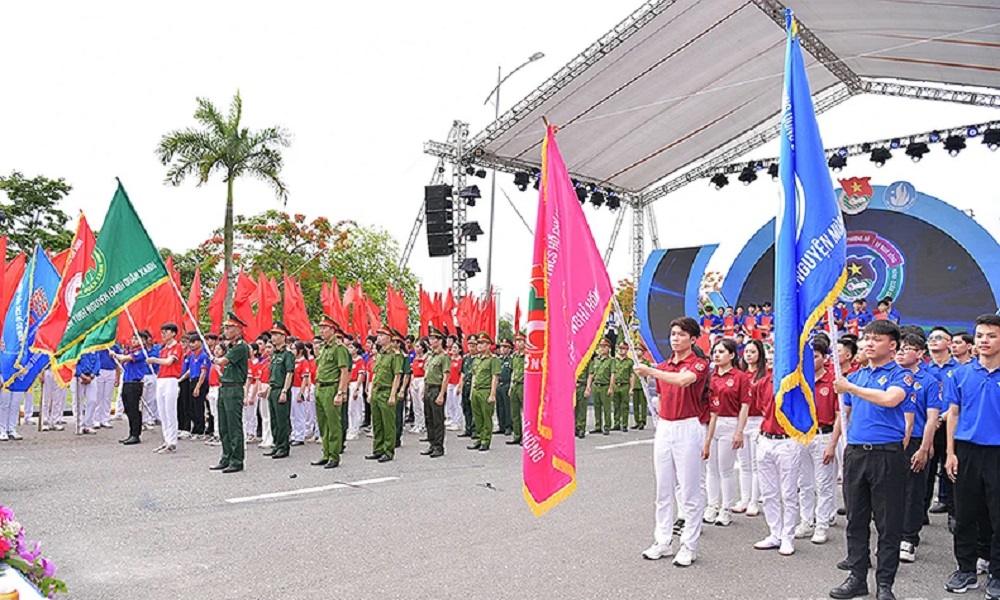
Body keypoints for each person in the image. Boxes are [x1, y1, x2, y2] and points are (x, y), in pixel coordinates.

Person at [830, 320, 912, 600]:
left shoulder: (901, 375)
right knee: (856, 519)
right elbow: (846, 414)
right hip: (856, 453)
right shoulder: (858, 375)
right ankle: (857, 577)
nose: (868, 343)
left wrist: (850, 388)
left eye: (876, 339)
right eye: (866, 338)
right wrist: (838, 444)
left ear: (892, 345)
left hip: (887, 454)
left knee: (888, 523)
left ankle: (885, 583)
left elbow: (890, 400)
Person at [635, 317, 710, 568]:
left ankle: (689, 545)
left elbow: (682, 380)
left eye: (681, 334)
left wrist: (651, 371)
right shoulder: (665, 364)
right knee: (663, 490)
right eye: (673, 334)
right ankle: (663, 541)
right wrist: (649, 373)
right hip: (665, 427)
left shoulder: (698, 364)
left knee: (689, 491)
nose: (675, 338)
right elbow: (662, 385)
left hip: (688, 427)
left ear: (692, 338)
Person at [944, 314, 1000, 597]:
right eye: (980, 336)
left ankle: (997, 574)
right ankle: (965, 569)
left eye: (991, 335)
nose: (984, 341)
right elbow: (953, 414)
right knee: (964, 514)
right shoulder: (962, 373)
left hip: (997, 453)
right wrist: (950, 452)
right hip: (966, 451)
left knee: (997, 515)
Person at [894, 332, 942, 564]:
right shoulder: (892, 376)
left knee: (914, 492)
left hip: (916, 440)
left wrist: (924, 447)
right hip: (891, 440)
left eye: (908, 348)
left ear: (921, 353)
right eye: (900, 348)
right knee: (891, 492)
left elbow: (932, 418)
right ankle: (891, 536)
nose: (902, 352)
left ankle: (908, 539)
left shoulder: (929, 380)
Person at [751, 338, 801, 557]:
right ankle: (775, 533)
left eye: (776, 357)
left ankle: (788, 536)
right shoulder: (764, 382)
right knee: (769, 492)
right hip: (765, 439)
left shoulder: (796, 381)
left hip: (788, 441)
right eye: (770, 356)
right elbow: (760, 407)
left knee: (788, 493)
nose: (772, 360)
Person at [796, 337, 841, 545]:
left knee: (823, 483)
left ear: (824, 357)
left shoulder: (833, 381)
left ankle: (822, 524)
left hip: (824, 435)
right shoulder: (799, 380)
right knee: (804, 483)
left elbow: (840, 415)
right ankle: (806, 521)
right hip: (803, 436)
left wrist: (832, 444)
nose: (811, 360)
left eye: (815, 356)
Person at [703, 338, 750, 527]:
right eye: (715, 351)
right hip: (710, 423)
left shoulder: (740, 377)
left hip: (729, 423)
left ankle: (726, 508)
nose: (717, 355)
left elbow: (745, 405)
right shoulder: (710, 376)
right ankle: (712, 505)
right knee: (711, 468)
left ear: (731, 355)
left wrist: (739, 431)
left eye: (722, 352)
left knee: (726, 469)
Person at [925, 326, 959, 520]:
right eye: (931, 338)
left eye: (939, 337)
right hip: (929, 426)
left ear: (949, 343)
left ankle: (953, 514)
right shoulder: (923, 370)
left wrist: (943, 416)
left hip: (949, 424)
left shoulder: (959, 370)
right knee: (925, 471)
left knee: (950, 470)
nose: (933, 341)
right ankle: (920, 514)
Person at [210, 314, 250, 473]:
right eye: (225, 327)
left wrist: (215, 359)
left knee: (234, 426)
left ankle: (237, 460)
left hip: (234, 388)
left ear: (238, 329)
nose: (226, 330)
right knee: (223, 425)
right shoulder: (232, 346)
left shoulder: (241, 346)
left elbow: (222, 361)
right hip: (224, 387)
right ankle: (226, 456)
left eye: (229, 327)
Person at [311, 317, 350, 468]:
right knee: (323, 423)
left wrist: (340, 392)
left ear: (333, 330)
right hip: (320, 387)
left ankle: (334, 455)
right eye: (320, 328)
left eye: (324, 328)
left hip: (331, 388)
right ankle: (326, 453)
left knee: (333, 423)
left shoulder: (339, 348)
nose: (321, 331)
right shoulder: (324, 348)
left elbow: (344, 371)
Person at [736, 339, 767, 517]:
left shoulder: (764, 375)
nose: (748, 355)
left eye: (753, 352)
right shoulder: (741, 375)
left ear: (759, 354)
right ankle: (744, 499)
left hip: (758, 421)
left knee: (756, 464)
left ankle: (754, 501)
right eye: (746, 351)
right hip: (742, 422)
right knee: (744, 464)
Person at [111, 331, 154, 445]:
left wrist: (115, 354)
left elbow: (125, 359)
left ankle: (136, 434)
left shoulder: (141, 352)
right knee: (128, 409)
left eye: (137, 339)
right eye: (133, 338)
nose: (134, 341)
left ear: (144, 341)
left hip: (134, 383)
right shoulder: (132, 351)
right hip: (127, 381)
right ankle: (131, 433)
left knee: (134, 409)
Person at [146, 323, 184, 455]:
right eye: (162, 332)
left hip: (171, 380)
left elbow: (169, 362)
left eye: (166, 332)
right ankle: (166, 439)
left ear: (173, 333)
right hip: (161, 379)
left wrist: (155, 360)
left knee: (170, 411)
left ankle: (172, 441)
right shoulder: (163, 349)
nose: (163, 334)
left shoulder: (177, 347)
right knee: (162, 412)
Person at [367, 326, 402, 462]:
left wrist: (393, 394)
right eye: (378, 335)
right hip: (377, 390)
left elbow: (397, 376)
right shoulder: (380, 354)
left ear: (389, 338)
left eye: (382, 335)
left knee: (388, 424)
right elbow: (375, 374)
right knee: (377, 422)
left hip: (387, 391)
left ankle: (388, 451)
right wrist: (371, 392)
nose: (378, 337)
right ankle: (378, 449)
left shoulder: (395, 355)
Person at [264, 322, 295, 460]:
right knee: (274, 419)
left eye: (276, 334)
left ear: (284, 336)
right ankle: (276, 445)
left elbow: (289, 373)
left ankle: (283, 447)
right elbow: (272, 375)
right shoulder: (275, 355)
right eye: (273, 335)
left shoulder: (287, 354)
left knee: (282, 420)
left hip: (282, 389)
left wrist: (284, 391)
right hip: (273, 389)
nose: (273, 337)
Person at [420, 327, 449, 458]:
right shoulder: (431, 356)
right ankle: (431, 444)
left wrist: (441, 394)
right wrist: (423, 390)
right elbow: (426, 374)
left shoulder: (443, 357)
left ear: (440, 341)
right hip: (428, 388)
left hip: (437, 388)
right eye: (430, 339)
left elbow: (445, 376)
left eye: (433, 339)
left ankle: (439, 446)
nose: (431, 341)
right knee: (429, 418)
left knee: (438, 419)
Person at [468, 332, 500, 451]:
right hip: (476, 390)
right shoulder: (476, 359)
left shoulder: (493, 359)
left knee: (486, 417)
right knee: (477, 417)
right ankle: (479, 437)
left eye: (482, 343)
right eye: (478, 343)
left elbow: (494, 377)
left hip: (486, 390)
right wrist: (471, 392)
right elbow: (474, 376)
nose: (479, 346)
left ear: (488, 345)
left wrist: (492, 394)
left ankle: (486, 440)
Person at [179, 333, 210, 440]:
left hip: (200, 381)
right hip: (192, 380)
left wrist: (198, 386)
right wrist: (181, 379)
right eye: (190, 342)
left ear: (200, 343)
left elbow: (203, 372)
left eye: (194, 342)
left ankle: (200, 430)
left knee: (198, 406)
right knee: (192, 406)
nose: (191, 345)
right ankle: (195, 428)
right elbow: (189, 370)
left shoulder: (203, 356)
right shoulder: (192, 355)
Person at [587, 339, 615, 435]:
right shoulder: (596, 360)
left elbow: (612, 374)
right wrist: (588, 387)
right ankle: (598, 426)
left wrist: (611, 387)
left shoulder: (611, 361)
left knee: (606, 408)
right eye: (600, 347)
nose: (602, 349)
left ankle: (607, 426)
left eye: (604, 347)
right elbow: (591, 374)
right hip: (596, 386)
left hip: (605, 386)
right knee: (597, 407)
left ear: (609, 348)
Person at [205, 341, 225, 447]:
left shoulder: (221, 363)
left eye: (219, 349)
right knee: (213, 413)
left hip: (219, 388)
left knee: (219, 413)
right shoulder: (213, 363)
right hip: (212, 388)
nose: (216, 351)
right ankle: (216, 433)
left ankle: (220, 435)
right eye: (215, 349)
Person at [458, 334, 478, 439]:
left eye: (474, 345)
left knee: (474, 408)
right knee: (466, 407)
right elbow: (463, 373)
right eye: (469, 344)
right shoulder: (466, 358)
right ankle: (468, 428)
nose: (471, 347)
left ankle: (475, 430)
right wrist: (460, 386)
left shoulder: (479, 358)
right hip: (466, 384)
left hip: (474, 385)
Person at [507, 333, 526, 445]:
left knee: (525, 413)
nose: (518, 343)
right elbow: (513, 372)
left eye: (520, 341)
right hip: (515, 384)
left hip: (524, 385)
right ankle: (517, 435)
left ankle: (526, 436)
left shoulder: (528, 356)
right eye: (517, 341)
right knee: (514, 412)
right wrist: (510, 386)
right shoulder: (515, 356)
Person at [611, 342, 634, 433]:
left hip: (625, 385)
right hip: (616, 384)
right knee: (616, 405)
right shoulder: (614, 361)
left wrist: (631, 388)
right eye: (620, 348)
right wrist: (611, 386)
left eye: (623, 348)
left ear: (627, 350)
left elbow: (632, 376)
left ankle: (624, 424)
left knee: (625, 406)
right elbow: (612, 374)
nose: (621, 350)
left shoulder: (629, 362)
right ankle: (616, 423)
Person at [346, 341, 366, 440]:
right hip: (348, 384)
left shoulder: (360, 361)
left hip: (355, 384)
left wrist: (357, 389)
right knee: (349, 409)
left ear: (356, 349)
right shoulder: (349, 360)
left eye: (351, 347)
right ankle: (350, 428)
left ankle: (355, 429)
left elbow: (361, 375)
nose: (349, 349)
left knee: (355, 408)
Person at [495, 339, 513, 436]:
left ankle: (508, 426)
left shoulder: (511, 360)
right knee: (499, 406)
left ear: (510, 349)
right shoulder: (499, 360)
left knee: (507, 407)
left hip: (507, 384)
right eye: (502, 347)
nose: (503, 349)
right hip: (499, 384)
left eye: (505, 347)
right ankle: (501, 425)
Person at [40, 366, 67, 431]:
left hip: (59, 370)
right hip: (48, 369)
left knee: (57, 398)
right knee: (46, 398)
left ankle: (55, 421)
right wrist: (40, 373)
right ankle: (45, 421)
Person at [408, 341, 427, 436]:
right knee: (415, 404)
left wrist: (424, 385)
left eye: (418, 346)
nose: (416, 348)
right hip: (415, 379)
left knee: (421, 403)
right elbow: (412, 372)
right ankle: (417, 423)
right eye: (415, 346)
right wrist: (411, 382)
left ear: (423, 348)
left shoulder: (425, 359)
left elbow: (426, 372)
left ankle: (423, 425)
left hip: (422, 379)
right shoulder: (415, 359)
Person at [445, 345, 464, 431]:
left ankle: (458, 422)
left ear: (460, 350)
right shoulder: (449, 360)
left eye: (456, 348)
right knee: (450, 402)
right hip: (450, 383)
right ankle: (451, 419)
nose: (453, 350)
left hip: (457, 383)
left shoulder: (461, 360)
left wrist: (460, 386)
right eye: (453, 348)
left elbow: (462, 374)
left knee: (457, 403)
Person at [575, 357, 591, 439]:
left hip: (582, 385)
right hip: (572, 386)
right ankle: (574, 427)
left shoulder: (586, 359)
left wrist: (588, 388)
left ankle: (581, 428)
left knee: (582, 408)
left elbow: (590, 374)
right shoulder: (571, 358)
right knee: (573, 409)